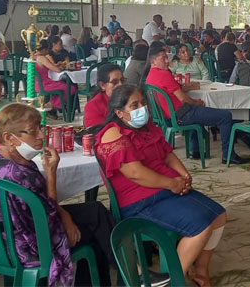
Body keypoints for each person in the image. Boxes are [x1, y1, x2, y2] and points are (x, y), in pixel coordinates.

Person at [95, 84, 225, 286]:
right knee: (200, 226)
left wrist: (183, 174)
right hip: (140, 202)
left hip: (165, 190)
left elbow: (167, 154)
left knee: (219, 216)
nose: (142, 108)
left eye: (143, 103)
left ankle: (200, 271)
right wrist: (172, 183)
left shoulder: (147, 128)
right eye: (134, 105)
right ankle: (173, 280)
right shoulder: (112, 134)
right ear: (119, 113)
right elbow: (135, 173)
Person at [0, 103, 116, 286]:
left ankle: (129, 268)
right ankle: (130, 270)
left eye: (41, 128)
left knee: (95, 210)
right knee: (95, 232)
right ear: (9, 137)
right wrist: (51, 173)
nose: (41, 135)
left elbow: (42, 207)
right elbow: (48, 218)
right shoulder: (19, 174)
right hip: (29, 245)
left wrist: (66, 216)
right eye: (32, 131)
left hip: (2, 241)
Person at [145, 46, 249, 164]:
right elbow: (183, 98)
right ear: (153, 61)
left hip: (167, 117)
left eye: (166, 58)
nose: (166, 61)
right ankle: (228, 155)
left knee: (198, 112)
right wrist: (197, 102)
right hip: (181, 115)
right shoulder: (164, 74)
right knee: (226, 116)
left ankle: (195, 150)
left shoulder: (150, 76)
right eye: (163, 58)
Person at [35, 40, 77, 119]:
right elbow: (57, 70)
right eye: (47, 50)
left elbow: (50, 66)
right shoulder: (42, 58)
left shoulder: (34, 56)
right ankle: (50, 105)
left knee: (63, 87)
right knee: (70, 88)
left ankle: (51, 105)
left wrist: (56, 65)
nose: (48, 52)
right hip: (44, 84)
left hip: (38, 83)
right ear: (44, 49)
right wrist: (62, 67)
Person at [83, 63, 124, 129]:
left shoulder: (129, 98)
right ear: (102, 85)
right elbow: (96, 132)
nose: (120, 85)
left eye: (122, 80)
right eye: (114, 82)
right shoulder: (94, 106)